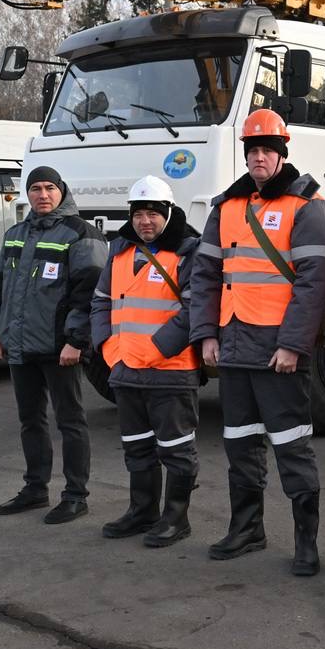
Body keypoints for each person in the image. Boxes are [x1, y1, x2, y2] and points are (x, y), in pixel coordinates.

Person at [190, 108, 325, 576]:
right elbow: (205, 275)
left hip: (278, 351)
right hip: (234, 346)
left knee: (292, 446)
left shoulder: (307, 206)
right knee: (240, 444)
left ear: (281, 154)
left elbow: (314, 284)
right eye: (252, 150)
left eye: (267, 150)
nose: (258, 158)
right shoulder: (227, 207)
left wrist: (292, 345)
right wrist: (206, 334)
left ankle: (306, 543)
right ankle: (247, 529)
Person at [0, 166, 106, 524]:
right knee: (30, 421)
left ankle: (75, 495)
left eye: (49, 188)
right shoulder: (15, 235)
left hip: (59, 349)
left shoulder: (81, 234)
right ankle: (35, 489)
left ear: (61, 190)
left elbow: (89, 292)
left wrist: (76, 341)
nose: (42, 195)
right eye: (35, 188)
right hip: (19, 346)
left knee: (70, 422)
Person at [91, 175, 201, 547]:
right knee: (137, 446)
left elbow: (195, 309)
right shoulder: (120, 250)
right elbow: (100, 301)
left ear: (168, 213)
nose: (145, 221)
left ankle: (176, 519)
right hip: (125, 368)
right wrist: (106, 345)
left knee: (176, 450)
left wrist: (155, 349)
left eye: (153, 213)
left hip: (169, 371)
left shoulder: (188, 250)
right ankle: (142, 512)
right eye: (138, 214)